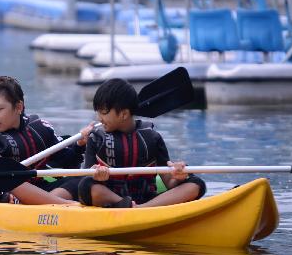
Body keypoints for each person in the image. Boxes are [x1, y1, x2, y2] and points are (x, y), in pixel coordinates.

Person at [78, 78, 206, 208]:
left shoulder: (153, 137)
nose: (99, 118)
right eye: (98, 112)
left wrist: (178, 176)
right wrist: (95, 176)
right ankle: (125, 204)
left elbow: (168, 182)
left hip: (147, 200)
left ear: (124, 114)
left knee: (196, 183)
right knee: (85, 187)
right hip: (113, 200)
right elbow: (87, 178)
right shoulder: (96, 139)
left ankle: (139, 208)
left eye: (103, 112)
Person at [0, 75, 88, 205]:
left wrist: (80, 144)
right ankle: (64, 205)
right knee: (12, 181)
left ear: (19, 107)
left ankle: (51, 204)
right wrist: (3, 196)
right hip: (9, 197)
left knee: (83, 180)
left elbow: (68, 163)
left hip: (42, 191)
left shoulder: (41, 129)